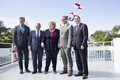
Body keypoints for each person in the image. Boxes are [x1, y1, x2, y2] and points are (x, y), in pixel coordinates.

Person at [73, 15, 89, 79]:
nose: (76, 20)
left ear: (79, 19)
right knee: (78, 60)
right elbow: (73, 37)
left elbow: (85, 36)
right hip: (76, 46)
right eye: (75, 19)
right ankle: (80, 71)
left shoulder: (83, 26)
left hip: (82, 46)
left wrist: (83, 44)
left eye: (77, 19)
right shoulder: (74, 28)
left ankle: (85, 73)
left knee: (83, 60)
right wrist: (73, 45)